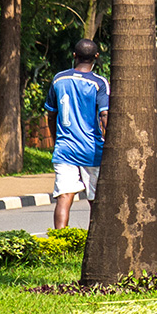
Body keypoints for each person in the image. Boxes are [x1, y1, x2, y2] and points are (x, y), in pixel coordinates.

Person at [46, 38, 109, 231]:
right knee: (96, 199)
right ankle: (97, 239)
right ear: (96, 57)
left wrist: (56, 138)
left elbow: (51, 113)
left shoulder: (59, 79)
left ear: (74, 55)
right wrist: (109, 142)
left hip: (65, 150)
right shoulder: (99, 83)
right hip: (92, 150)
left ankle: (59, 241)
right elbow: (104, 115)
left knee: (64, 197)